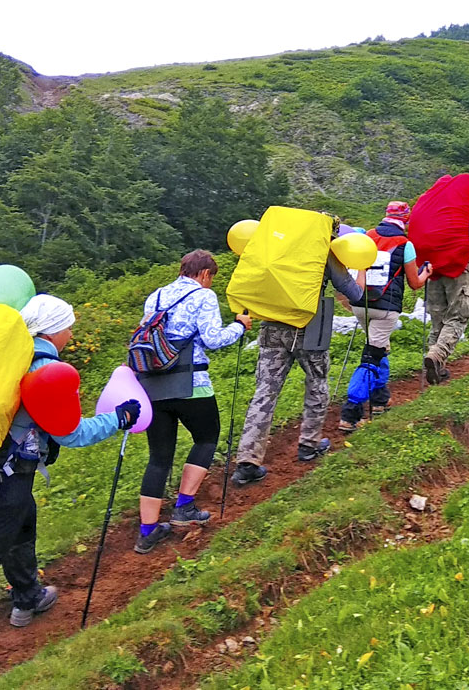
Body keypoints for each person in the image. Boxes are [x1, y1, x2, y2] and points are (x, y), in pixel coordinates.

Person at [0, 295, 139, 687]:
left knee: (22, 526)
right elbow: (71, 433)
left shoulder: (7, 358)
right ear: (53, 330)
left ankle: (27, 597)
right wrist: (119, 418)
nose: (72, 335)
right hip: (3, 477)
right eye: (69, 327)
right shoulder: (45, 368)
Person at [134, 250, 253, 555]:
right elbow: (213, 339)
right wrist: (239, 326)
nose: (210, 283)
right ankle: (184, 507)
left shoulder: (156, 297)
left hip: (153, 385)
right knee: (206, 436)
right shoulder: (203, 296)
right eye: (211, 277)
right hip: (192, 383)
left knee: (159, 457)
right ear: (204, 274)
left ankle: (147, 531)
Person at [231, 244, 365, 485]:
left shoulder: (274, 248)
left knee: (265, 392)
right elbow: (353, 292)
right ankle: (308, 445)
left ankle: (247, 461)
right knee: (317, 383)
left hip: (272, 325)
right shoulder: (323, 251)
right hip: (310, 327)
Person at [340, 202, 433, 431]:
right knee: (371, 357)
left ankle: (380, 399)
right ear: (406, 219)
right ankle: (350, 414)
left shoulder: (367, 236)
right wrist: (426, 273)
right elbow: (414, 283)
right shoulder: (406, 244)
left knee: (378, 347)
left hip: (360, 304)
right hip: (386, 308)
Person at [423, 191, 469, 385]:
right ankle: (437, 355)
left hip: (434, 271)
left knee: (439, 319)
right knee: (460, 315)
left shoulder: (438, 211)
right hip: (459, 271)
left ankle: (437, 365)